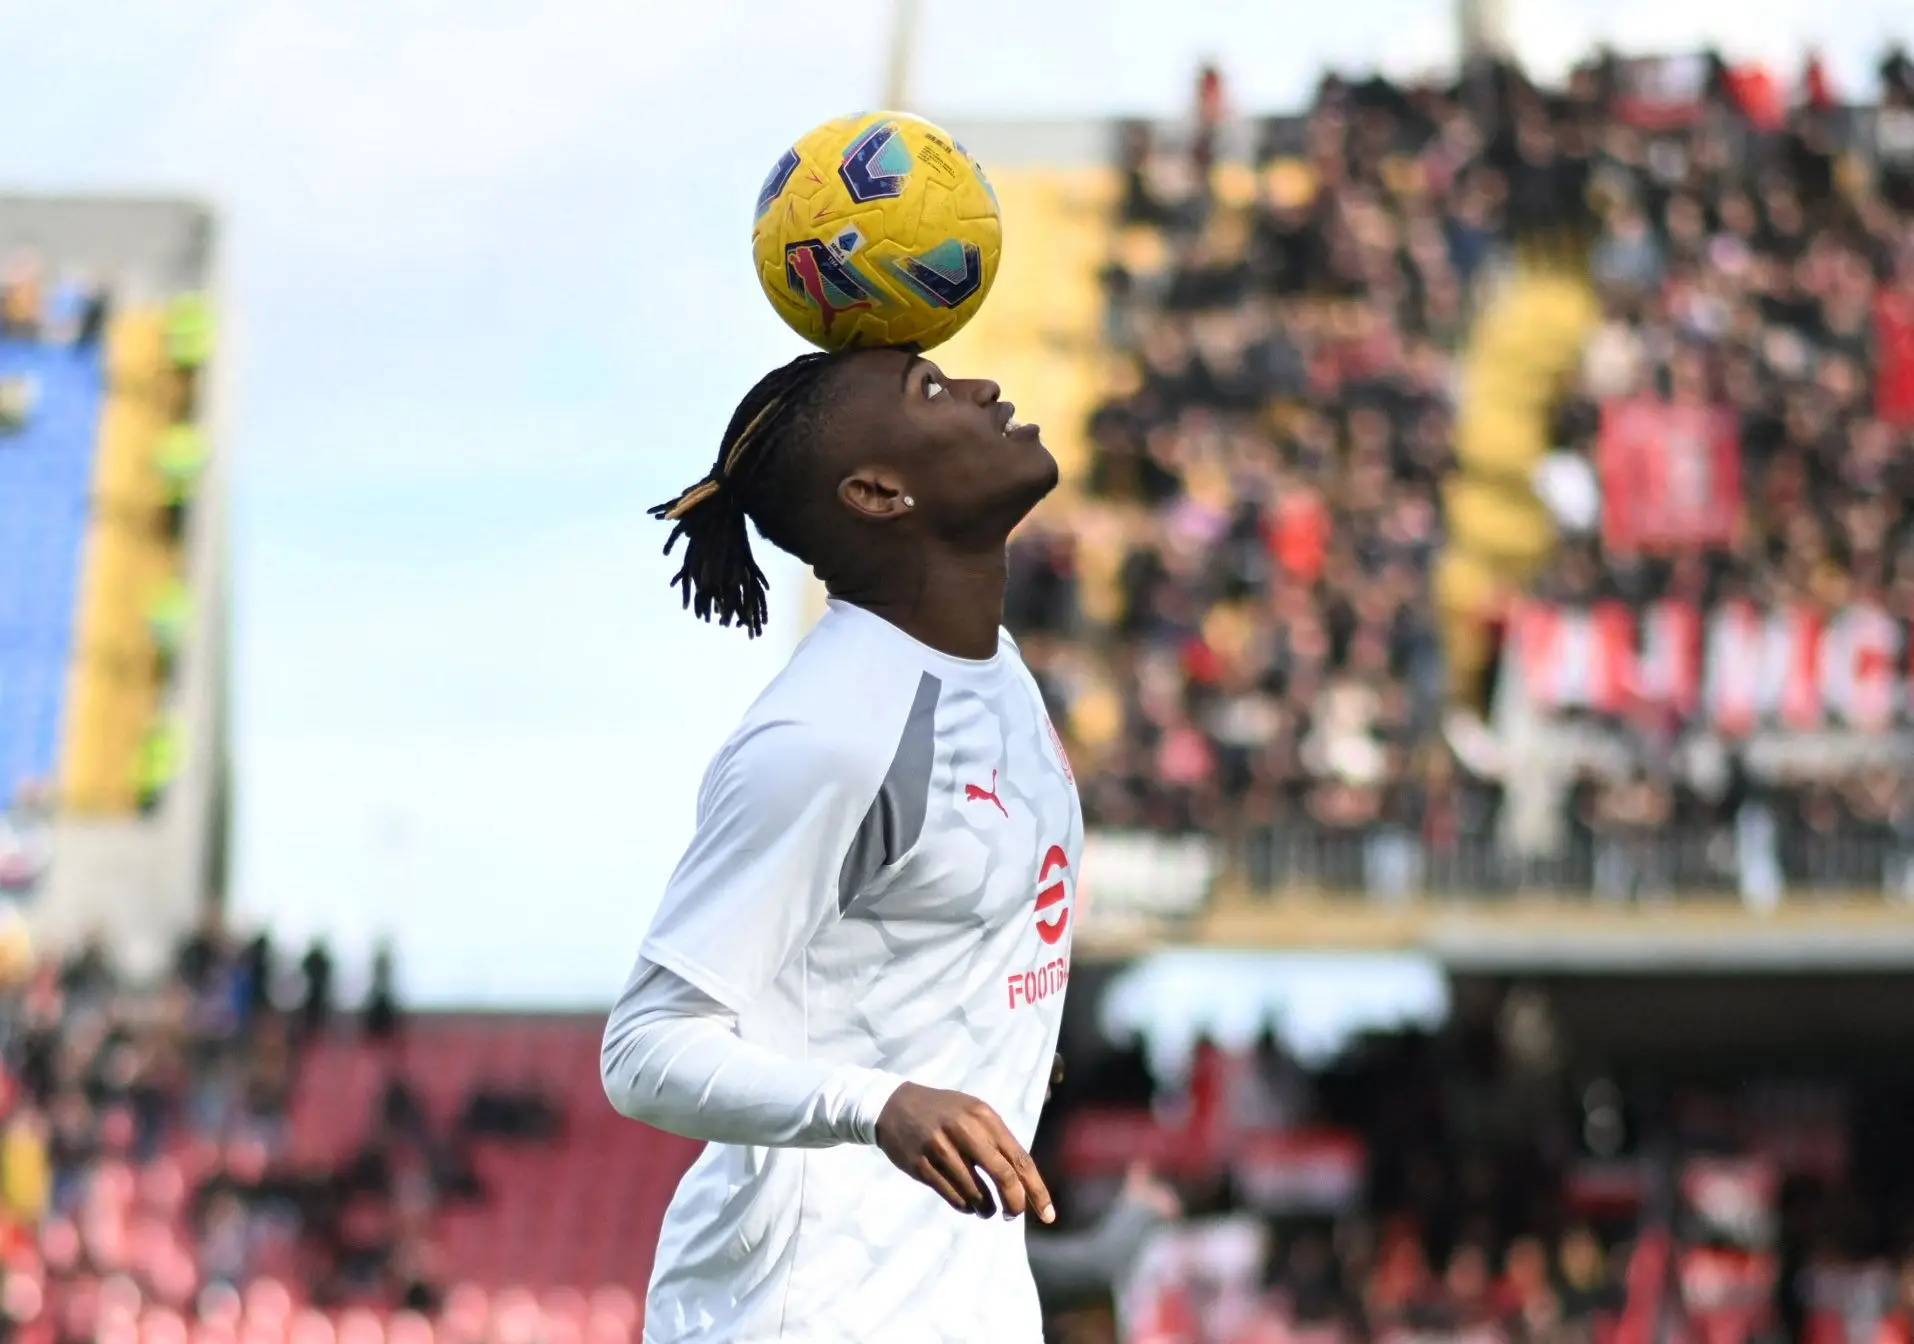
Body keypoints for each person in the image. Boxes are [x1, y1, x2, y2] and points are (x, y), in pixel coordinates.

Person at [600, 346, 1081, 1342]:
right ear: (877, 491)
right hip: (802, 1314)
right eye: (932, 393)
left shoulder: (994, 668)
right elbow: (642, 1051)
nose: (982, 389)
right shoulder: (823, 737)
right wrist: (881, 1102)